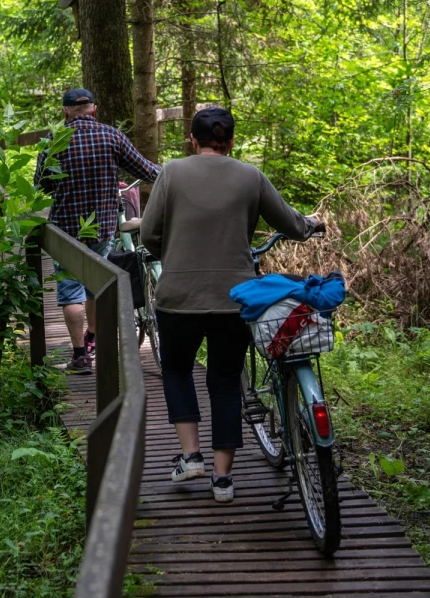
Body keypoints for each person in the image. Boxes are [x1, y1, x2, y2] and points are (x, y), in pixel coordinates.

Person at [140, 106, 322, 504]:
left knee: (176, 370)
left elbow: (149, 234)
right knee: (224, 381)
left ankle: (190, 456)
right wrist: (312, 224)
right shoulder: (250, 176)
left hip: (178, 298)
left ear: (192, 139)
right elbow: (291, 225)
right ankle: (223, 480)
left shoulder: (171, 172)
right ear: (232, 142)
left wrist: (170, 253)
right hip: (234, 298)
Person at [35, 88, 161, 374]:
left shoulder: (55, 141)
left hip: (66, 230)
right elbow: (145, 169)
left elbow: (41, 184)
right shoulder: (111, 136)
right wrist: (173, 174)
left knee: (70, 291)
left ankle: (80, 355)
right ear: (94, 109)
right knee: (96, 284)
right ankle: (94, 338)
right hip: (102, 227)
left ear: (65, 111)